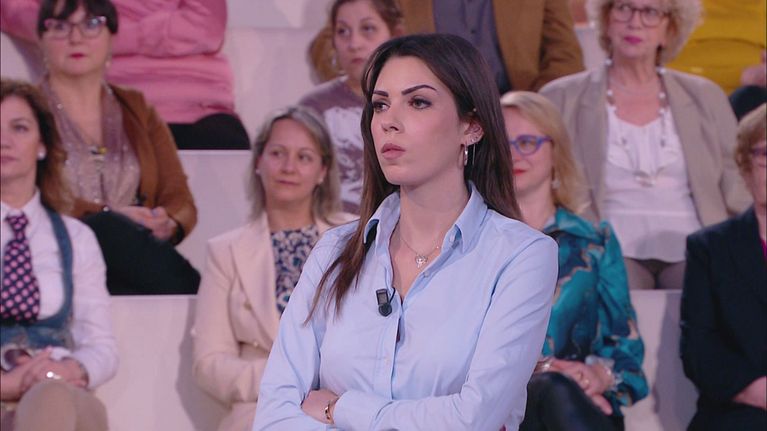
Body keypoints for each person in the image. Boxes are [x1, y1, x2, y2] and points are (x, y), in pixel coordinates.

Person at [253, 33, 558, 430]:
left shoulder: (522, 255)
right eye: (380, 105)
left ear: (472, 126)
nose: (388, 122)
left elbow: (473, 419)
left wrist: (339, 408)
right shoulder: (334, 251)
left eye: (417, 102)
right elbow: (275, 414)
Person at [540, 0, 751, 290]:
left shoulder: (705, 96)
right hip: (606, 244)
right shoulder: (562, 97)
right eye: (624, 8)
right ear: (606, 19)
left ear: (670, 29)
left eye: (650, 12)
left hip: (694, 241)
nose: (635, 22)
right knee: (610, 288)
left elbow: (739, 181)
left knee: (711, 289)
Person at [7, 0, 199, 294]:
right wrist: (109, 214)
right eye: (60, 26)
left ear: (113, 37)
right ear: (41, 39)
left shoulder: (137, 108)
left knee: (121, 247)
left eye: (91, 24)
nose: (76, 37)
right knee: (108, 229)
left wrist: (168, 221)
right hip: (55, 254)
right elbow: (21, 193)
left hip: (133, 260)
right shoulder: (24, 113)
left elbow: (179, 196)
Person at [192, 106, 353, 431]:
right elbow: (208, 364)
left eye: (304, 157)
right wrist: (284, 378)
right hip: (261, 406)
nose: (289, 167)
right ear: (258, 162)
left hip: (344, 401)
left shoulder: (354, 238)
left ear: (323, 171)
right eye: (278, 153)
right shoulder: (226, 251)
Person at [501, 91, 647, 431]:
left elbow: (627, 349)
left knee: (565, 399)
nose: (514, 154)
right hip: (501, 407)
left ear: (556, 151)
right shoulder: (473, 240)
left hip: (580, 406)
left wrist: (597, 377)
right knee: (552, 389)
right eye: (503, 144)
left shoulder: (595, 242)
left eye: (527, 142)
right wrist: (547, 368)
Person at [1, 78, 117, 431]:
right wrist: (8, 384)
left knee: (52, 399)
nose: (4, 140)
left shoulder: (76, 238)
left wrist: (64, 371)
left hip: (58, 386)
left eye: (19, 128)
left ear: (42, 145)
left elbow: (101, 346)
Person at [0, 0, 249, 150]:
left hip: (196, 109)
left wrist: (105, 33)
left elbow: (205, 28)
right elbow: (16, 11)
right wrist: (85, 31)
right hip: (106, 111)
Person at [680, 103, 767, 431]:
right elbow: (699, 350)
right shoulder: (711, 248)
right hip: (739, 412)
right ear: (745, 167)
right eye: (765, 154)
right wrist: (756, 390)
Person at [301, 0, 403, 214]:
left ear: (395, 35)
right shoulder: (315, 108)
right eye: (343, 31)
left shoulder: (415, 102)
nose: (354, 43)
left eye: (368, 28)